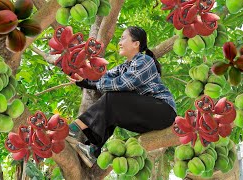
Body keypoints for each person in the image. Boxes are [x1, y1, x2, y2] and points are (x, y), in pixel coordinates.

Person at [66, 26, 177, 168]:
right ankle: (93, 150)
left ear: (136, 44)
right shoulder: (123, 67)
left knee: (113, 97)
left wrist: (91, 84)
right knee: (112, 111)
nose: (119, 42)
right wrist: (81, 78)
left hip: (163, 110)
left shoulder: (144, 60)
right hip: (147, 119)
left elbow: (124, 83)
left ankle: (74, 128)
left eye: (123, 38)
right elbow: (102, 77)